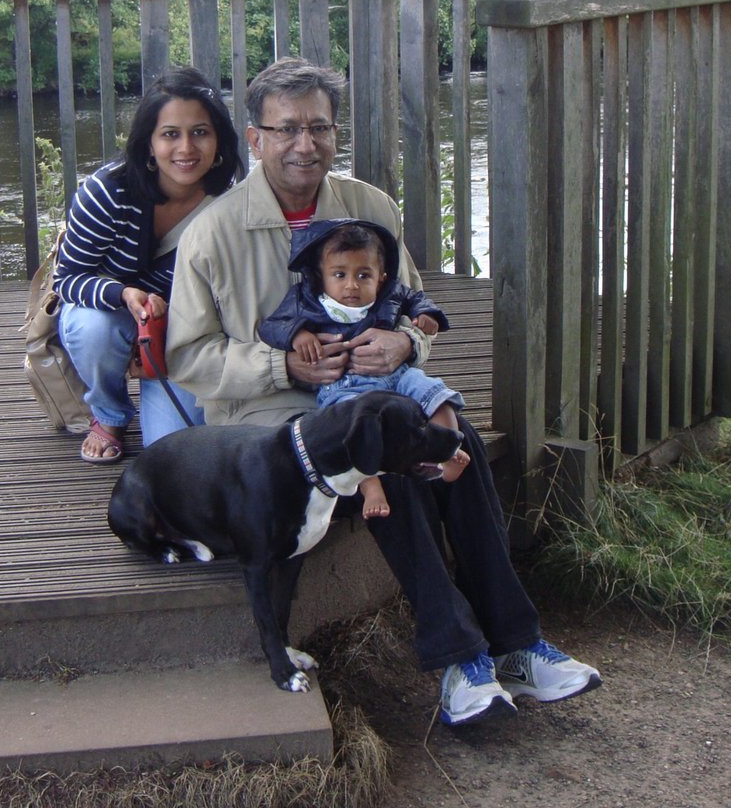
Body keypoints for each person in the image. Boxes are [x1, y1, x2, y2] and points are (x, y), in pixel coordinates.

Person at [168, 57, 600, 727]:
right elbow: (187, 358)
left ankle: (516, 644)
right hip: (269, 421)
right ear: (255, 139)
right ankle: (462, 659)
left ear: (335, 133)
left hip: (370, 388)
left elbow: (412, 311)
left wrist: (404, 346)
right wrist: (284, 367)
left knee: (452, 440)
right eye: (286, 129)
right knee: (386, 447)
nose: (305, 144)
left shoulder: (370, 208)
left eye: (319, 127)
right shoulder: (212, 232)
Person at [53, 66, 243, 463]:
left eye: (200, 132)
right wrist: (123, 294)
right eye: (170, 134)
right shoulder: (107, 192)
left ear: (219, 139)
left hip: (181, 332)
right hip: (107, 314)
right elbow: (67, 279)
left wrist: (170, 323)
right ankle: (109, 413)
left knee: (173, 452)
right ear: (149, 143)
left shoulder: (231, 204)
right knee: (94, 328)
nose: (186, 148)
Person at [257, 217, 470, 518]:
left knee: (435, 393)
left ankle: (447, 450)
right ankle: (371, 487)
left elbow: (416, 298)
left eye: (363, 275)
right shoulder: (305, 300)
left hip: (395, 374)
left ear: (381, 278)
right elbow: (272, 326)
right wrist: (297, 335)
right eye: (339, 275)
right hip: (344, 384)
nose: (351, 285)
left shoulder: (390, 293)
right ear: (321, 276)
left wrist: (426, 315)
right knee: (352, 427)